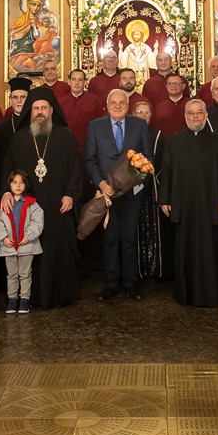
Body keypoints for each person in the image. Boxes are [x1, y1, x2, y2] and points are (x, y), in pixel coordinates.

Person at [4, 88, 83, 308]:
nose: (40, 112)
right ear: (30, 111)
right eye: (36, 108)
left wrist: (70, 194)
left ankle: (59, 295)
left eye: (44, 108)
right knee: (30, 248)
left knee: (57, 248)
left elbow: (76, 169)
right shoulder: (19, 139)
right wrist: (8, 193)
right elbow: (8, 169)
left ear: (51, 110)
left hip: (59, 205)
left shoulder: (65, 136)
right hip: (28, 206)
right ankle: (31, 295)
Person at [160, 100, 218, 307]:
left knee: (212, 249)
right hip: (184, 205)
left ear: (206, 116)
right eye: (191, 113)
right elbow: (166, 173)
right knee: (185, 248)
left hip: (211, 205)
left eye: (199, 113)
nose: (195, 117)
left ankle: (212, 292)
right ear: (185, 116)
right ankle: (185, 293)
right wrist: (165, 199)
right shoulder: (174, 142)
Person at [86, 89, 153, 300]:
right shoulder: (95, 126)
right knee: (111, 239)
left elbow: (148, 159)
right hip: (108, 194)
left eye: (121, 103)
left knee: (130, 239)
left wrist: (136, 181)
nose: (117, 106)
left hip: (133, 194)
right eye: (113, 103)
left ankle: (130, 284)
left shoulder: (139, 125)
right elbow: (90, 160)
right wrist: (101, 183)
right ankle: (111, 283)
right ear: (106, 105)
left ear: (127, 105)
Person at [0, 170, 44, 314]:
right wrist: (4, 238)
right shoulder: (3, 205)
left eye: (21, 182)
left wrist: (28, 236)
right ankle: (12, 299)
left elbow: (37, 221)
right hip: (9, 246)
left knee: (25, 274)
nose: (18, 185)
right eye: (14, 182)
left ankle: (25, 299)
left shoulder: (31, 204)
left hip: (26, 245)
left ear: (26, 185)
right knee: (12, 274)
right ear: (9, 185)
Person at [131, 98, 170, 281]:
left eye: (146, 113)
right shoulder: (129, 135)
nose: (143, 115)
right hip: (132, 188)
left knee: (156, 229)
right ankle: (137, 270)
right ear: (133, 114)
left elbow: (164, 163)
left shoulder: (159, 135)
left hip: (154, 187)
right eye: (140, 112)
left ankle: (156, 269)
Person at [0, 77, 32, 171]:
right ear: (10, 99)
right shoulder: (2, 127)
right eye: (15, 97)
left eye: (23, 97)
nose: (19, 101)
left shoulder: (38, 124)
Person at [60, 69, 104, 149]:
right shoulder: (61, 101)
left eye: (80, 80)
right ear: (69, 82)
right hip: (66, 144)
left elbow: (100, 124)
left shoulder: (94, 100)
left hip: (89, 144)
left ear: (85, 82)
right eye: (74, 79)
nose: (77, 83)